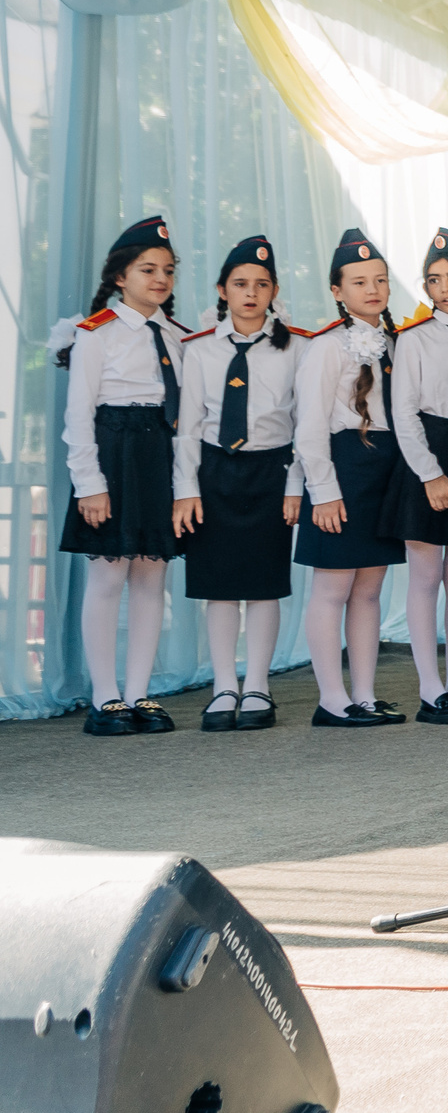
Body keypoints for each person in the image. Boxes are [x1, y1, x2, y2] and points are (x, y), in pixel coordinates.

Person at [57, 216, 189, 737]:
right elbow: (78, 415)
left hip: (158, 453)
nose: (160, 279)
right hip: (113, 450)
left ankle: (139, 693)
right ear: (120, 276)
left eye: (168, 271)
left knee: (152, 573)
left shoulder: (177, 336)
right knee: (110, 573)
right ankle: (105, 697)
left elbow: (186, 415)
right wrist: (89, 482)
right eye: (148, 269)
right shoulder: (95, 334)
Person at [173, 235, 302, 734]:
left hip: (271, 472)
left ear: (273, 292)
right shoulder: (199, 349)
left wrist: (296, 485)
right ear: (222, 290)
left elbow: (301, 421)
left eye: (262, 284)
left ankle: (257, 684)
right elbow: (187, 425)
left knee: (264, 585)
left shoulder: (295, 347)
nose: (251, 293)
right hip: (214, 471)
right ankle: (223, 684)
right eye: (240, 284)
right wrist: (185, 487)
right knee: (221, 587)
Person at [293, 228, 406, 729]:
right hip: (342, 468)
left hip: (382, 469)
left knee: (368, 590)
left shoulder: (397, 340)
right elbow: (310, 425)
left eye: (380, 279)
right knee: (333, 589)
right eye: (359, 281)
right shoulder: (326, 348)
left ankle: (363, 693)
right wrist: (322, 492)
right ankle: (331, 698)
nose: (373, 289)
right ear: (337, 291)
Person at [382, 228, 448, 725]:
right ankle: (429, 688)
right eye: (434, 280)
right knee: (425, 575)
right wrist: (429, 474)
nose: (445, 288)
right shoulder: (414, 339)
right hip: (428, 453)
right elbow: (403, 414)